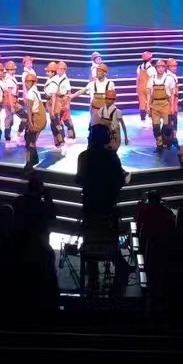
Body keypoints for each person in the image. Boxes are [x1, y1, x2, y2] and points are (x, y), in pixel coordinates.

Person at [76, 123, 130, 287]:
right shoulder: (112, 157)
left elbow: (79, 179)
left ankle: (93, 276)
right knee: (110, 239)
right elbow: (119, 181)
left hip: (90, 209)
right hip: (108, 209)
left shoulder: (84, 157)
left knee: (91, 236)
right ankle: (119, 270)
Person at [23, 70, 47, 168]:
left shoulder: (30, 93)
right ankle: (34, 160)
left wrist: (30, 123)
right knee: (31, 140)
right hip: (41, 118)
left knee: (30, 142)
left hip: (37, 118)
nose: (27, 84)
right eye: (26, 82)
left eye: (29, 82)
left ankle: (29, 165)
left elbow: (29, 109)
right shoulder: (36, 91)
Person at [147, 58, 171, 151]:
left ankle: (165, 140)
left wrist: (172, 106)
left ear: (165, 68)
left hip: (165, 104)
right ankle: (159, 144)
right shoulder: (152, 79)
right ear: (156, 68)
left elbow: (173, 94)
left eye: (162, 67)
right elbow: (149, 93)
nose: (160, 69)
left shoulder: (168, 78)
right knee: (156, 127)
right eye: (158, 67)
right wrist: (148, 105)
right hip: (155, 105)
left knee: (167, 126)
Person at [98, 85, 130, 153]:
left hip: (114, 135)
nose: (107, 100)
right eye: (106, 98)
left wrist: (126, 137)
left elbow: (123, 124)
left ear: (114, 100)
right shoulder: (101, 110)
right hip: (104, 134)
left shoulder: (117, 111)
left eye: (109, 99)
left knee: (112, 153)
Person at [55, 60, 78, 142]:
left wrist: (68, 103)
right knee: (59, 118)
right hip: (58, 99)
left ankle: (70, 135)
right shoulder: (56, 77)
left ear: (63, 70)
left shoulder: (65, 80)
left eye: (58, 69)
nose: (57, 70)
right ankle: (62, 136)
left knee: (66, 118)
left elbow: (69, 92)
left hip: (64, 99)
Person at [43, 61, 63, 146]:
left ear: (53, 72)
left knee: (55, 122)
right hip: (50, 102)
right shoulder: (51, 79)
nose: (47, 73)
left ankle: (60, 139)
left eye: (48, 71)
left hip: (53, 102)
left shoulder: (53, 81)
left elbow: (54, 96)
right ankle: (57, 140)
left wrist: (52, 110)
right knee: (53, 123)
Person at [2, 60, 19, 142]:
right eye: (11, 70)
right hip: (10, 99)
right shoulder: (9, 79)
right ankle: (7, 134)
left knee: (10, 117)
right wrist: (12, 106)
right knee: (9, 117)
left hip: (12, 98)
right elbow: (9, 93)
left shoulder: (11, 77)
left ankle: (7, 133)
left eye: (13, 69)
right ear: (7, 70)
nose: (13, 71)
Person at [165, 57, 181, 141]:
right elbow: (170, 92)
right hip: (171, 101)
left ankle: (173, 136)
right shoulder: (169, 77)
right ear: (168, 67)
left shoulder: (173, 76)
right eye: (173, 66)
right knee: (171, 119)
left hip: (174, 100)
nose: (175, 68)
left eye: (175, 66)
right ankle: (172, 137)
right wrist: (172, 105)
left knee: (173, 119)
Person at [136, 51, 153, 123]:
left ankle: (143, 118)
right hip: (149, 87)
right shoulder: (151, 68)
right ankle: (151, 116)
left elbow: (137, 78)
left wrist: (137, 87)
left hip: (141, 87)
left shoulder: (139, 67)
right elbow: (153, 78)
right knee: (151, 101)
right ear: (150, 59)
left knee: (142, 103)